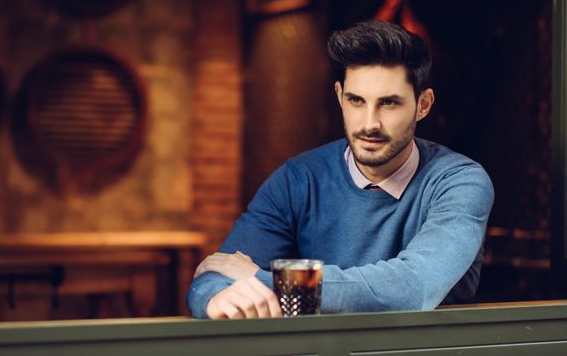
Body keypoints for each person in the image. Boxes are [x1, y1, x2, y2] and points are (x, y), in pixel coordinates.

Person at [187, 20, 494, 319]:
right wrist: (214, 299)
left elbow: (412, 288)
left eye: (389, 103)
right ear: (339, 97)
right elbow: (214, 277)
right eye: (356, 101)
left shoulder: (459, 183)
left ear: (423, 105)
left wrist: (261, 278)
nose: (370, 123)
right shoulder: (297, 180)